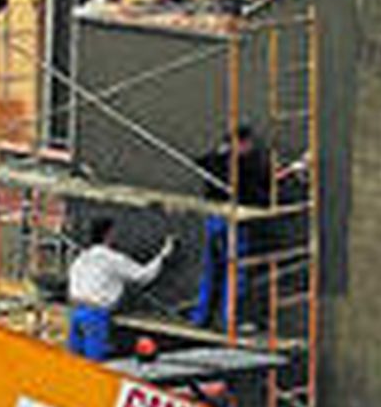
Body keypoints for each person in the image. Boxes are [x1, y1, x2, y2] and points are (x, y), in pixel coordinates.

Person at [192, 124, 270, 328]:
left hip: (213, 219)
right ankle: (230, 320)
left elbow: (200, 161)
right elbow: (258, 191)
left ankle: (199, 318)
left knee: (210, 270)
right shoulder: (243, 165)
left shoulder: (213, 162)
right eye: (248, 143)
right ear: (240, 142)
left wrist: (221, 151)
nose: (251, 148)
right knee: (235, 272)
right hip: (233, 222)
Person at [66, 217, 174, 360]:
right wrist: (163, 255)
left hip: (76, 312)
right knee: (95, 365)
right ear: (108, 235)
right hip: (95, 315)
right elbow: (143, 276)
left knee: (74, 361)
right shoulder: (113, 259)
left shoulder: (81, 258)